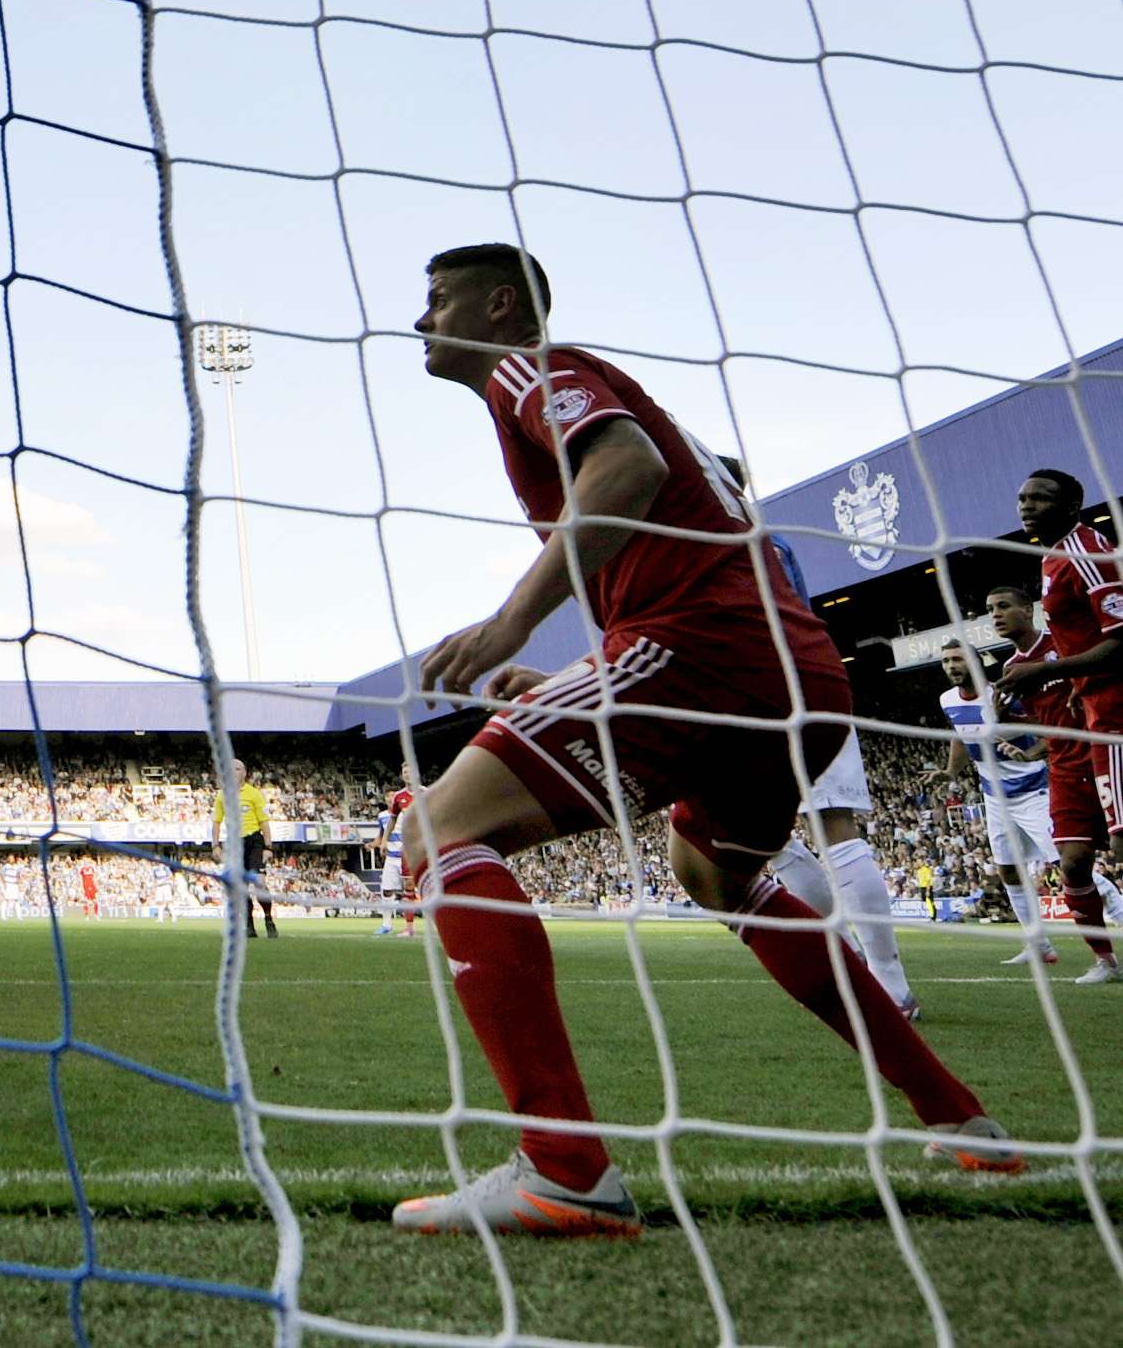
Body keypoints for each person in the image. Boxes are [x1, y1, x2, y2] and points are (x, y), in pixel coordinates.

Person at [390, 244, 1018, 1236]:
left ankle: (563, 1170)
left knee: (435, 831)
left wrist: (510, 625)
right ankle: (958, 1114)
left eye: (437, 301)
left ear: (500, 305)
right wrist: (561, 679)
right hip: (788, 673)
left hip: (703, 649)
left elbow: (626, 467)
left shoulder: (531, 369)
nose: (420, 322)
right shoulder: (574, 398)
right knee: (713, 876)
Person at [717, 458, 913, 1015]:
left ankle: (887, 983)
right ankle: (863, 968)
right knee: (781, 839)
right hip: (798, 682)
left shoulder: (726, 540)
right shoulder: (769, 539)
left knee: (823, 831)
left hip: (774, 689)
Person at [997, 477, 1123, 984]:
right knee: (1072, 861)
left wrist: (1050, 672)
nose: (1027, 506)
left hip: (1115, 713)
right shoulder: (1053, 558)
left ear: (1072, 505)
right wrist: (1076, 680)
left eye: (1040, 498)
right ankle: (1105, 961)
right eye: (1022, 497)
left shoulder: (1088, 550)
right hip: (1090, 714)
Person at [942, 622, 1112, 965]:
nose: (951, 667)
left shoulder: (1003, 692)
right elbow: (960, 736)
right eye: (946, 662)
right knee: (1007, 870)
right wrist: (949, 771)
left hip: (1033, 791)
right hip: (995, 798)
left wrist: (1032, 752)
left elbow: (1041, 726)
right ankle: (1039, 945)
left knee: (1071, 866)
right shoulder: (946, 700)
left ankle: (1117, 919)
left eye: (957, 659)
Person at [214, 759, 277, 938]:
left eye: (237, 768)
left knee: (260, 883)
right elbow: (216, 822)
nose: (233, 771)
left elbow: (264, 822)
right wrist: (215, 845)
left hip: (254, 842)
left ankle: (268, 918)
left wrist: (268, 847)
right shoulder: (222, 795)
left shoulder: (254, 794)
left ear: (244, 773)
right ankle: (249, 924)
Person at [372, 780, 424, 940]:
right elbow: (381, 836)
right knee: (386, 890)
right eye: (387, 796)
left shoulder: (404, 812)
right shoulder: (382, 816)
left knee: (410, 890)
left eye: (393, 795)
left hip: (407, 855)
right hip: (391, 857)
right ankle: (387, 925)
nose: (390, 798)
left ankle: (411, 926)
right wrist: (376, 844)